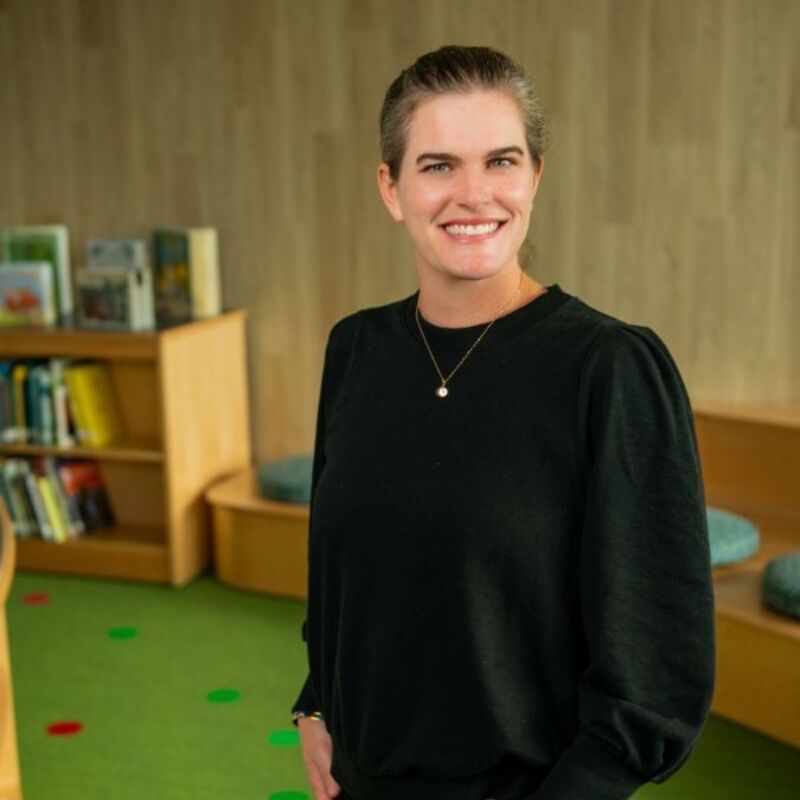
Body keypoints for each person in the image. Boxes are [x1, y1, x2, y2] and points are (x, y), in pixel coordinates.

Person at [291, 45, 715, 800]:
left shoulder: (610, 369)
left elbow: (657, 666)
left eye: (501, 161)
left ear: (536, 177)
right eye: (437, 165)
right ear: (391, 188)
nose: (473, 193)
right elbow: (346, 572)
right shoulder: (356, 349)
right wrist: (316, 698)